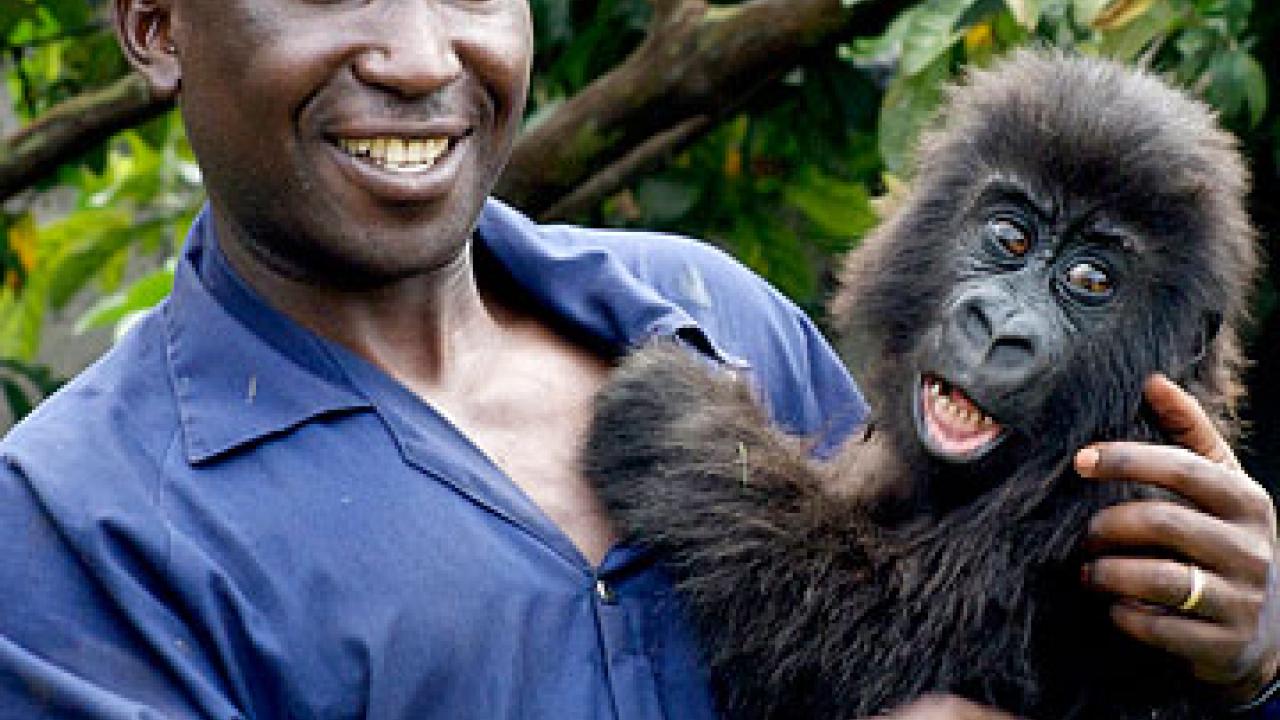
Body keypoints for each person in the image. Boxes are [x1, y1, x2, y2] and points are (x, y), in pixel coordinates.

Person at [0, 0, 1274, 718]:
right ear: (156, 23)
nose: (415, 53)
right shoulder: (76, 526)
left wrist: (1251, 658)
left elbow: (915, 635)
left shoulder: (710, 310)